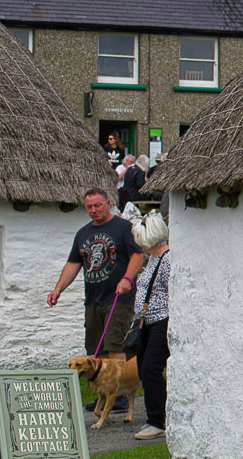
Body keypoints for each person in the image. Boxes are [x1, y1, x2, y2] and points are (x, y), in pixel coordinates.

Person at [47, 187, 144, 367]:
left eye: (98, 205)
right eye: (89, 207)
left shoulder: (123, 228)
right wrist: (58, 289)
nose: (94, 210)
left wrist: (127, 279)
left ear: (108, 204)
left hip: (119, 298)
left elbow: (137, 255)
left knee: (115, 345)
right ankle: (105, 391)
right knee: (96, 350)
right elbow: (73, 263)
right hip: (93, 300)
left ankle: (119, 392)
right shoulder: (82, 233)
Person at [129, 211, 170, 441]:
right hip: (147, 321)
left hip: (161, 321)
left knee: (150, 369)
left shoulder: (166, 260)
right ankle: (156, 416)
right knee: (145, 368)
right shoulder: (154, 259)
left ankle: (157, 420)